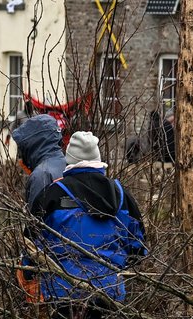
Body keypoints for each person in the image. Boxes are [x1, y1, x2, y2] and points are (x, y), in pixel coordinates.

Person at [29, 131, 148, 318]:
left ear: (69, 161)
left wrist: (30, 276)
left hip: (62, 292)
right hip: (109, 292)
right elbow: (139, 248)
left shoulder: (51, 195)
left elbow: (30, 245)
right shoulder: (122, 195)